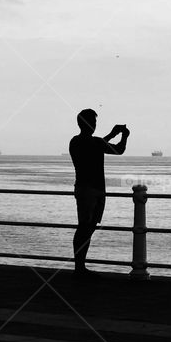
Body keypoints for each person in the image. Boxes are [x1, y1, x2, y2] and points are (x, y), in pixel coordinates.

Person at [69, 108, 129, 277]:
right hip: (93, 190)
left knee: (85, 227)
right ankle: (79, 268)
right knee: (86, 228)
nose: (94, 125)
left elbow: (98, 144)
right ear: (87, 123)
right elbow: (119, 150)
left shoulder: (75, 142)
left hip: (84, 188)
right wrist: (124, 135)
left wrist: (111, 134)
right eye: (93, 122)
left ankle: (79, 266)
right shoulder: (94, 143)